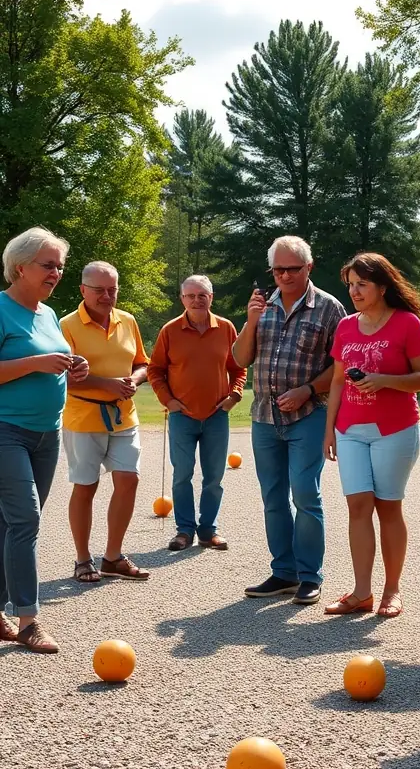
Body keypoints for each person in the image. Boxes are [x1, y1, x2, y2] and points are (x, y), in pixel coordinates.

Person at [233, 236, 346, 606]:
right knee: (273, 498)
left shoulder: (329, 308)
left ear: (308, 268)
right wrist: (251, 322)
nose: (283, 275)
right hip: (264, 417)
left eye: (292, 269)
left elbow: (341, 368)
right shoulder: (260, 306)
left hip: (307, 415)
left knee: (305, 493)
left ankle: (310, 576)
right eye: (277, 269)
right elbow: (240, 358)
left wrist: (309, 390)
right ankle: (284, 572)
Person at [323, 253, 420, 618]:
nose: (354, 291)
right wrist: (330, 429)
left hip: (395, 429)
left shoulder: (407, 323)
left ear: (382, 287)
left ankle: (391, 590)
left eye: (362, 284)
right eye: (351, 285)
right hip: (350, 430)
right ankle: (361, 592)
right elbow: (338, 380)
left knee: (388, 507)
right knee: (357, 506)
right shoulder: (345, 326)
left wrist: (384, 381)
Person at [0, 227, 88, 654]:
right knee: (26, 520)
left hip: (46, 432)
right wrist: (37, 362)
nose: (56, 272)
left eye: (59, 266)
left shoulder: (49, 315)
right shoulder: (0, 309)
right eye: (47, 264)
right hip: (5, 430)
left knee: (8, 523)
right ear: (20, 267)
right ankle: (29, 620)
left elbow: (52, 361)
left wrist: (74, 367)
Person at [60, 262, 150, 583]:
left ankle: (112, 557)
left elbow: (142, 363)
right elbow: (64, 378)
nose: (107, 296)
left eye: (112, 289)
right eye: (99, 290)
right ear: (83, 290)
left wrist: (133, 380)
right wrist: (108, 384)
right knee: (86, 486)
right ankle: (83, 559)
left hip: (124, 415)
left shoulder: (127, 320)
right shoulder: (66, 325)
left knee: (129, 480)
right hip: (83, 417)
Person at [148, 275, 246, 552]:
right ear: (182, 299)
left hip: (217, 415)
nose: (196, 300)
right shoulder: (170, 330)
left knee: (214, 477)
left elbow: (238, 368)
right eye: (190, 296)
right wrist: (168, 400)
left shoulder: (226, 328)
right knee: (182, 475)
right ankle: (184, 531)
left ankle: (208, 530)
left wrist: (234, 395)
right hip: (182, 416)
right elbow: (155, 369)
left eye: (202, 295)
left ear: (211, 298)